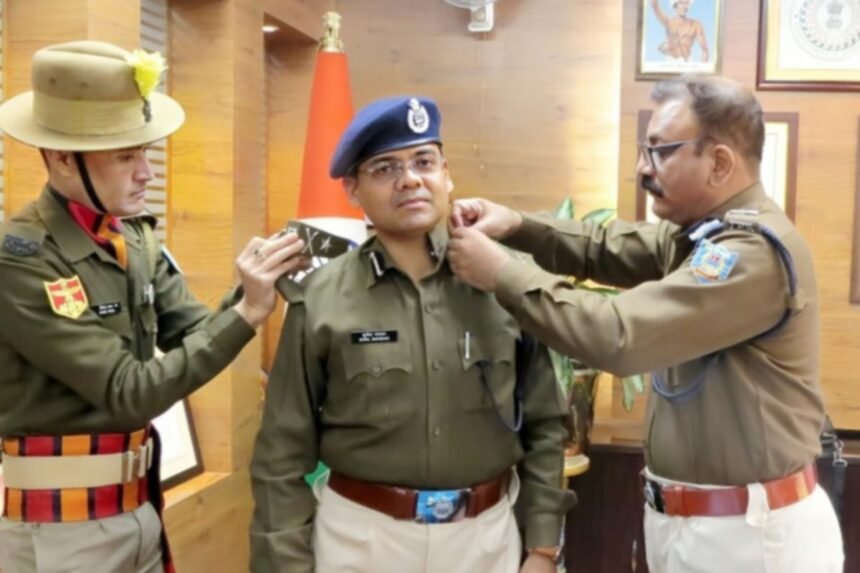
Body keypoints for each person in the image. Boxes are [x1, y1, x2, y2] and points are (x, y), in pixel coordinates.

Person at [447, 76, 844, 572]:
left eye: (660, 151)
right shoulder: (698, 237)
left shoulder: (750, 254)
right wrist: (515, 225)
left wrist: (501, 272)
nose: (643, 168)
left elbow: (619, 337)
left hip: (750, 539)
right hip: (697, 525)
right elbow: (601, 247)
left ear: (719, 162)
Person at [0, 41, 307, 573]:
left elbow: (197, 330)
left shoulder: (132, 239)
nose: (147, 172)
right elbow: (129, 391)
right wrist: (247, 314)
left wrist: (251, 288)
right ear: (61, 158)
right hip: (61, 529)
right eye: (126, 156)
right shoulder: (21, 261)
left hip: (138, 504)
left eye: (146, 151)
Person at [249, 96, 575, 573]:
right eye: (384, 168)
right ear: (352, 190)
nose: (409, 180)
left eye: (423, 162)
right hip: (361, 540)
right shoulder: (320, 297)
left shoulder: (505, 280)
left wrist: (543, 547)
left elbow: (546, 425)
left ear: (447, 174)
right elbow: (280, 451)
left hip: (485, 541)